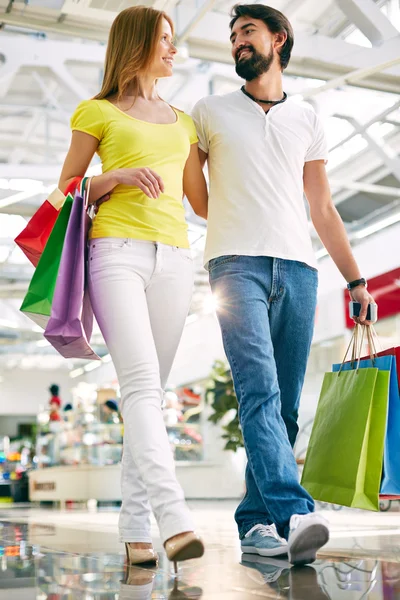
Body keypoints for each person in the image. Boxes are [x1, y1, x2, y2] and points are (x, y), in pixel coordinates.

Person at [192, 3, 377, 566]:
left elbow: (322, 208)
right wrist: (226, 221)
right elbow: (195, 197)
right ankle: (296, 512)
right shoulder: (209, 110)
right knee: (259, 392)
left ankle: (254, 523)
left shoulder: (309, 118)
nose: (237, 42)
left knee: (286, 409)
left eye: (247, 31)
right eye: (232, 35)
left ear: (280, 38)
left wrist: (356, 281)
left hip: (298, 270)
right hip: (235, 268)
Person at [58, 5, 207, 571]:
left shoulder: (184, 121)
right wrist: (112, 177)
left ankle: (134, 528)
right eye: (165, 39)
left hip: (176, 260)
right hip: (114, 253)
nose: (173, 49)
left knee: (151, 397)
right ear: (138, 43)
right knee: (142, 388)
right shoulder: (96, 111)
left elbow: (202, 202)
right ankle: (175, 520)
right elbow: (64, 191)